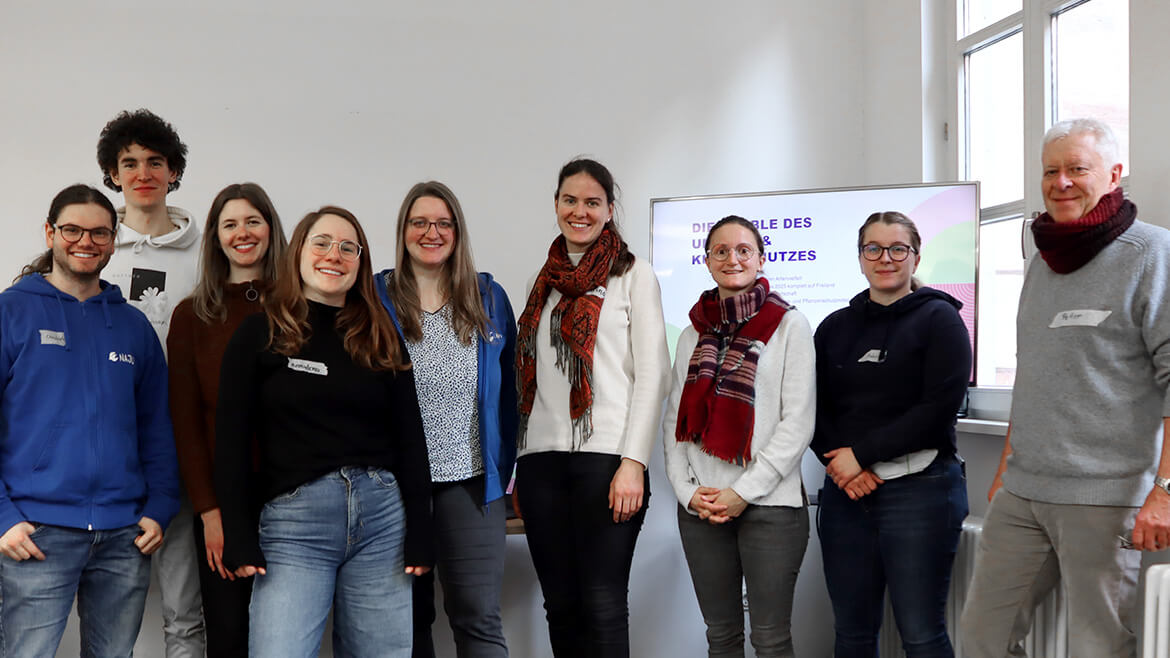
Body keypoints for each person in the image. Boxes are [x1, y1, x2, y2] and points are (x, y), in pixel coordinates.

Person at [960, 119, 1170, 657]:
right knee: (983, 637)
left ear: (1115, 174)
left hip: (1105, 496)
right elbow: (1034, 370)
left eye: (1078, 168)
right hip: (1024, 492)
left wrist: (1165, 491)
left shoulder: (1152, 254)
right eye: (1051, 171)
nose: (1062, 182)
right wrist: (1007, 464)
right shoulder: (1042, 261)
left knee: (1098, 647)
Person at [214, 206, 433, 656]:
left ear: (360, 262)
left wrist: (421, 532)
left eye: (348, 247)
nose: (334, 255)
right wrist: (237, 533)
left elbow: (412, 439)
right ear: (298, 253)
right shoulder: (260, 333)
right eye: (322, 243)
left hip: (382, 522)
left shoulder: (382, 335)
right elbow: (231, 442)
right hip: (295, 526)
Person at [0, 184, 180, 656]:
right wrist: (3, 517)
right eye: (72, 230)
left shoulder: (133, 326)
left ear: (113, 238)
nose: (86, 241)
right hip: (36, 532)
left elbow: (157, 426)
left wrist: (159, 507)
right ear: (50, 233)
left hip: (124, 537)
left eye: (100, 232)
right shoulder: (11, 312)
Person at [515, 158, 671, 657]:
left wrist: (634, 464)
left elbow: (654, 374)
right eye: (569, 200)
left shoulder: (633, 274)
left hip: (607, 461)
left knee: (602, 603)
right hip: (540, 462)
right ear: (556, 204)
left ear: (608, 209)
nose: (579, 211)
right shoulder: (544, 280)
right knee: (561, 605)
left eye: (591, 202)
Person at [812, 210, 971, 657]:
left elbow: (937, 409)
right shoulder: (834, 328)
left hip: (921, 490)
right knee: (852, 634)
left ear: (915, 257)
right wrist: (838, 463)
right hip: (847, 493)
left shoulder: (941, 320)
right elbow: (812, 406)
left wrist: (860, 455)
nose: (886, 258)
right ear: (860, 258)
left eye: (897, 248)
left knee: (920, 634)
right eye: (873, 249)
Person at [662, 216, 815, 657]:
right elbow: (676, 421)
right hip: (702, 508)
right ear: (707, 261)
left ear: (761, 259)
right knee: (721, 636)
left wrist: (742, 493)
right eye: (721, 251)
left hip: (771, 507)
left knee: (770, 640)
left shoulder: (790, 325)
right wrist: (687, 492)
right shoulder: (693, 332)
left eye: (744, 250)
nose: (733, 258)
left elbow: (798, 422)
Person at [375, 181, 517, 658]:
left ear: (457, 231)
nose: (431, 232)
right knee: (406, 621)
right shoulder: (375, 297)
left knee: (477, 616)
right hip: (394, 486)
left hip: (472, 484)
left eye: (443, 223)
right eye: (420, 222)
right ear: (403, 230)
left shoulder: (488, 297)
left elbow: (511, 389)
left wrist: (505, 466)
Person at [97, 107, 205, 655]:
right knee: (111, 612)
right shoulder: (89, 250)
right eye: (129, 162)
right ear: (113, 174)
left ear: (174, 172)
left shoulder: (206, 254)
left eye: (155, 162)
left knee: (184, 611)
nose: (143, 173)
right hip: (109, 448)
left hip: (181, 446)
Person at [167, 183, 288, 656]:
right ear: (215, 237)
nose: (242, 233)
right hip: (225, 499)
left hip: (296, 495)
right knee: (230, 629)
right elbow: (186, 422)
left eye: (253, 221)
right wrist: (210, 514)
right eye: (230, 224)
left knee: (287, 634)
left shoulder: (300, 308)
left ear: (271, 230)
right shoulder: (192, 316)